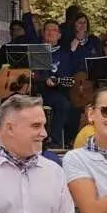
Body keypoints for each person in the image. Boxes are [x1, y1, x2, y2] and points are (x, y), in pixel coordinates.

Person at [35, 20, 76, 148]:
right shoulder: (36, 50)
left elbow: (66, 75)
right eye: (47, 29)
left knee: (63, 103)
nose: (50, 32)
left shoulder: (64, 55)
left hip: (51, 92)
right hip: (32, 90)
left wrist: (54, 80)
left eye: (54, 30)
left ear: (59, 35)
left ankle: (55, 140)